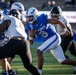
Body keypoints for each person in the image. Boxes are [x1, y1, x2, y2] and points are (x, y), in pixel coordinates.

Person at [25, 7, 76, 75]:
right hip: (50, 40)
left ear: (35, 15)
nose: (29, 19)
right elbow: (31, 43)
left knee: (39, 51)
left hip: (54, 37)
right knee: (62, 60)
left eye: (30, 17)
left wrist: (65, 30)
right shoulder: (29, 25)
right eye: (28, 17)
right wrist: (31, 37)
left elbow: (57, 21)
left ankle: (38, 73)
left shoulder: (42, 18)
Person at [0, 9, 40, 75]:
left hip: (14, 42)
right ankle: (10, 71)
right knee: (28, 66)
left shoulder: (8, 18)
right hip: (25, 43)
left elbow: (1, 28)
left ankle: (8, 71)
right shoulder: (20, 23)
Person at [50, 6, 76, 74]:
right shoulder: (51, 18)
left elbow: (68, 33)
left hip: (68, 36)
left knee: (60, 54)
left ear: (59, 15)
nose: (54, 17)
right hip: (63, 36)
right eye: (52, 15)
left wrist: (58, 36)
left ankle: (74, 64)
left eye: (55, 16)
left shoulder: (63, 20)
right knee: (74, 52)